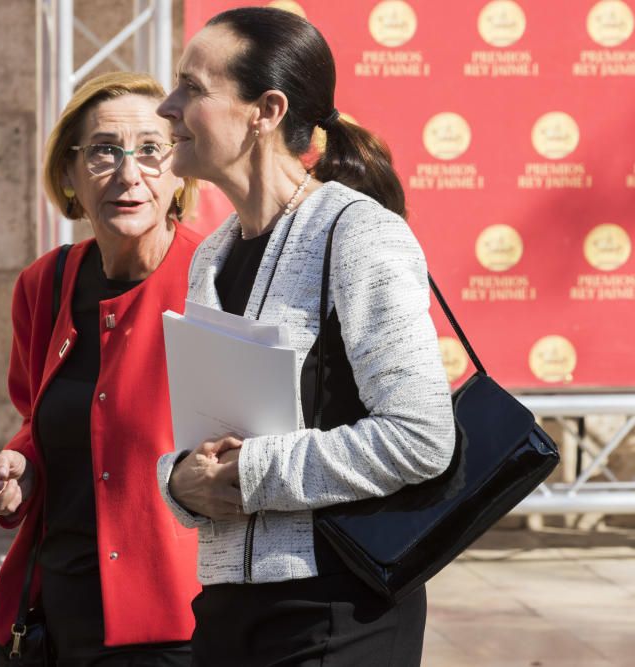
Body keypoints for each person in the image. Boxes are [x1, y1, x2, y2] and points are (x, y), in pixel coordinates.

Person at [155, 7, 456, 666]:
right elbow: (211, 440)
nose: (167, 107)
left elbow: (422, 435)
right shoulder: (213, 254)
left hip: (342, 611)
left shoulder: (359, 233)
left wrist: (254, 471)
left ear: (266, 109)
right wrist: (181, 480)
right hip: (228, 611)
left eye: (193, 88)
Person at [0, 71, 201, 666]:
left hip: (176, 626)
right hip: (49, 615)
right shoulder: (43, 284)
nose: (128, 174)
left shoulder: (219, 280)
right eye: (103, 150)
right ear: (68, 175)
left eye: (151, 149)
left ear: (180, 173)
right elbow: (38, 417)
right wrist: (20, 466)